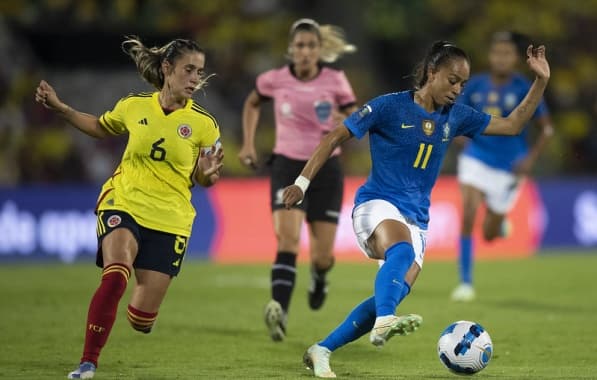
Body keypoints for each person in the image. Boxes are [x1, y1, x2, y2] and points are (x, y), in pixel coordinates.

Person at [282, 40, 550, 378]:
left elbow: (512, 125)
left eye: (463, 84)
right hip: (375, 205)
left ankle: (322, 349)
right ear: (431, 72)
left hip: (417, 220)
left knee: (392, 289)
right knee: (401, 253)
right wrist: (301, 183)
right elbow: (333, 137)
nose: (458, 90)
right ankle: (385, 320)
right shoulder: (388, 107)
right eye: (452, 80)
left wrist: (540, 81)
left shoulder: (457, 117)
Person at [35, 36, 224, 379]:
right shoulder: (134, 105)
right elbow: (99, 127)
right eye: (189, 70)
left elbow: (204, 176)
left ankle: (134, 313)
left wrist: (209, 175)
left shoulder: (205, 124)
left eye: (200, 72)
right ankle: (88, 362)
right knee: (116, 275)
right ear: (167, 69)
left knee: (141, 320)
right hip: (124, 200)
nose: (196, 78)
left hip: (170, 217)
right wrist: (62, 109)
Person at [238, 18, 358, 342]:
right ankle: (280, 311)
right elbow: (252, 103)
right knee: (287, 240)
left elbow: (357, 115)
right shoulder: (274, 80)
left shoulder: (335, 80)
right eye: (300, 46)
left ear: (320, 50)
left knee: (322, 256)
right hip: (287, 165)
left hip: (326, 169)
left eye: (311, 46)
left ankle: (320, 277)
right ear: (292, 49)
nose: (305, 51)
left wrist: (343, 119)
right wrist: (248, 143)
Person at [451, 31, 554, 302]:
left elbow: (547, 130)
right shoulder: (474, 86)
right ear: (490, 55)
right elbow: (454, 117)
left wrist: (530, 159)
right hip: (476, 158)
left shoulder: (523, 87)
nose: (501, 58)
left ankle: (498, 223)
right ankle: (465, 282)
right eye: (497, 53)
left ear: (516, 58)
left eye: (507, 53)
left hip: (509, 167)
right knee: (469, 212)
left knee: (489, 234)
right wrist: (462, 140)